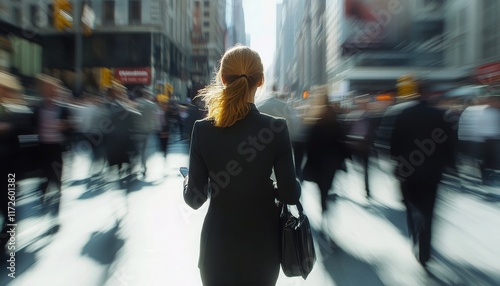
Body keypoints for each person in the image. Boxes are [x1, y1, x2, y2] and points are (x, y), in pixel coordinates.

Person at [183, 45, 301, 286]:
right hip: (263, 249)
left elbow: (194, 199)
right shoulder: (276, 128)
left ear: (223, 79)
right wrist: (269, 188)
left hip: (217, 250)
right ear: (260, 81)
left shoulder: (202, 130)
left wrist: (186, 180)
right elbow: (290, 194)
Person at [390, 87, 456, 267]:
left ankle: (415, 230)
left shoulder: (404, 114)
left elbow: (394, 143)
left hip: (408, 170)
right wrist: (451, 166)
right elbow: (449, 143)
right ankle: (425, 250)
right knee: (429, 210)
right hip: (432, 172)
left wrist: (396, 159)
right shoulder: (440, 115)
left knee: (412, 205)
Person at [302, 86, 350, 215]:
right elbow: (342, 140)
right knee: (327, 186)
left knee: (321, 188)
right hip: (332, 161)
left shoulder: (316, 120)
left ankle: (324, 205)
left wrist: (309, 160)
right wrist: (343, 159)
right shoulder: (335, 119)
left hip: (319, 161)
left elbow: (310, 143)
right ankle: (325, 203)